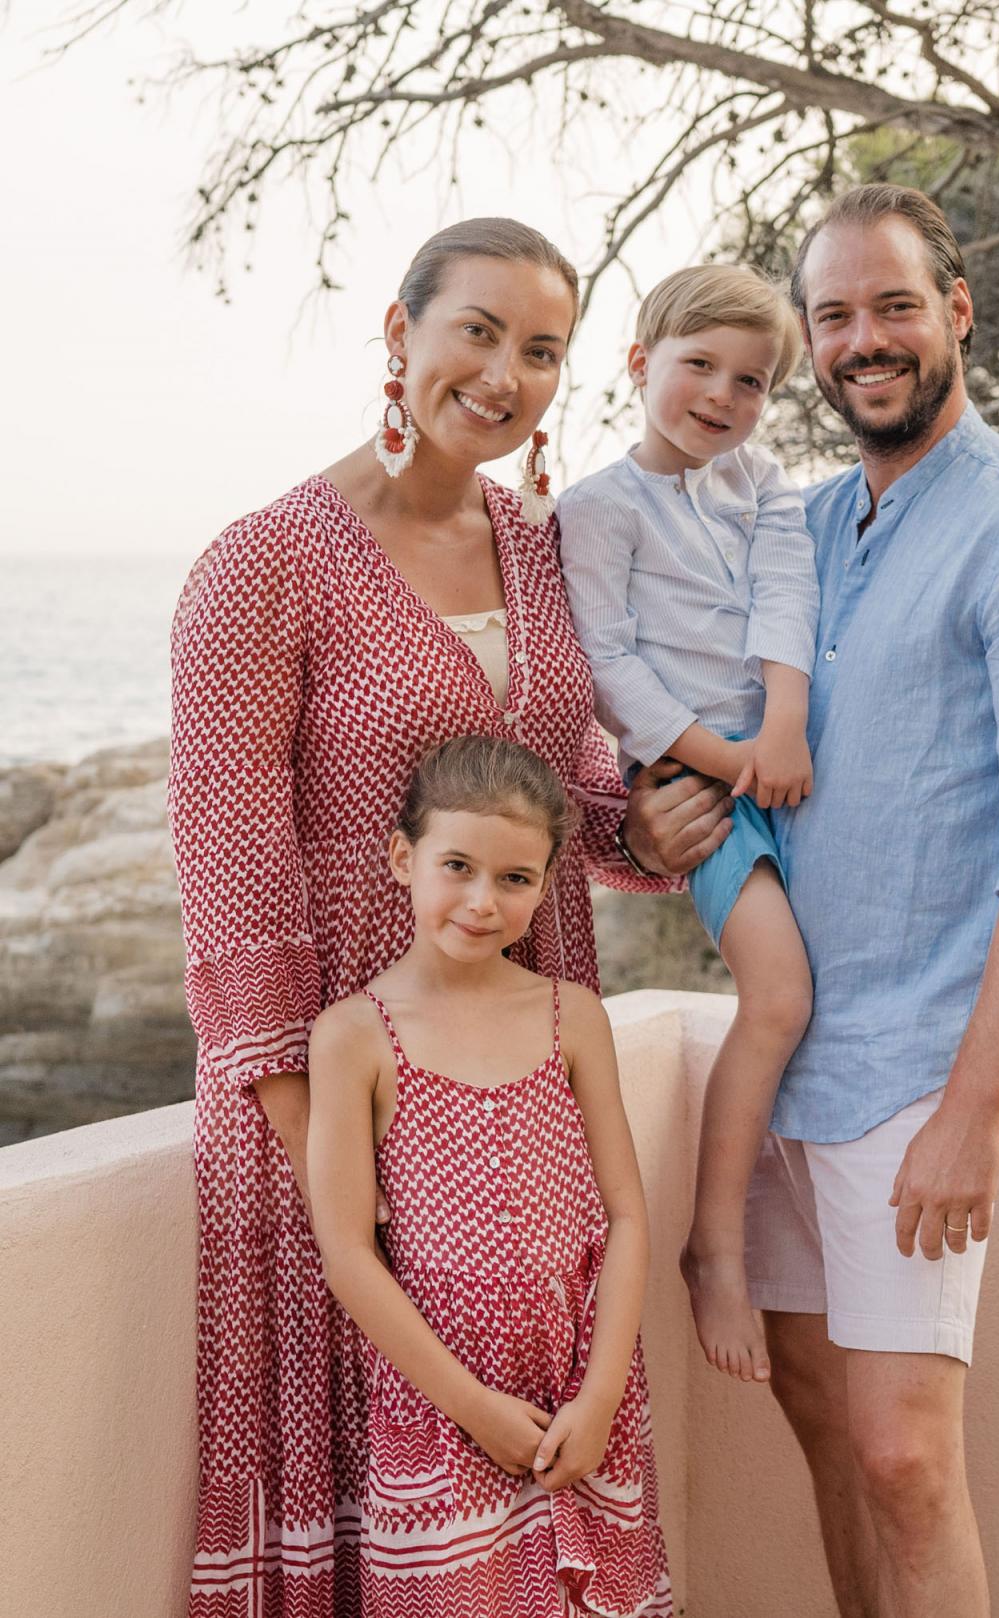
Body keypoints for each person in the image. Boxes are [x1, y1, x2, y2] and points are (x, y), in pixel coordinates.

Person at [168, 218, 725, 1617]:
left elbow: (564, 793)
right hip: (341, 1103)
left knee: (536, 1496)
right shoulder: (263, 564)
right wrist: (341, 1159)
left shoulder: (541, 551)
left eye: (542, 350)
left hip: (527, 1081)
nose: (505, 373)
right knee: (395, 1498)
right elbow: (235, 885)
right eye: (476, 329)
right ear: (399, 332)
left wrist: (638, 832)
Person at [645, 185, 999, 1618]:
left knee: (903, 1452)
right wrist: (656, 806)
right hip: (787, 1059)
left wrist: (974, 1115)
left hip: (915, 1071)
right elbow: (727, 733)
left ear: (958, 311)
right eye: (835, 316)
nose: (865, 340)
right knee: (817, 1411)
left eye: (894, 305)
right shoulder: (806, 523)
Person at [306, 735, 670, 1618]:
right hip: (441, 1409)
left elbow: (625, 1214)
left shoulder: (570, 1016)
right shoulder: (353, 1036)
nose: (481, 901)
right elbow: (348, 1253)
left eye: (515, 878)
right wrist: (473, 1407)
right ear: (404, 858)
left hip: (585, 1399)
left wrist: (603, 1392)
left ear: (547, 884)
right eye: (457, 866)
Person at [558, 265, 820, 1384]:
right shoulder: (594, 509)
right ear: (638, 364)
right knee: (777, 995)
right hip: (705, 790)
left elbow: (786, 596)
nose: (720, 395)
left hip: (796, 756)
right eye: (697, 365)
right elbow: (608, 667)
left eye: (749, 380)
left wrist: (789, 729)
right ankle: (715, 1243)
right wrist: (733, 760)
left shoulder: (759, 479)